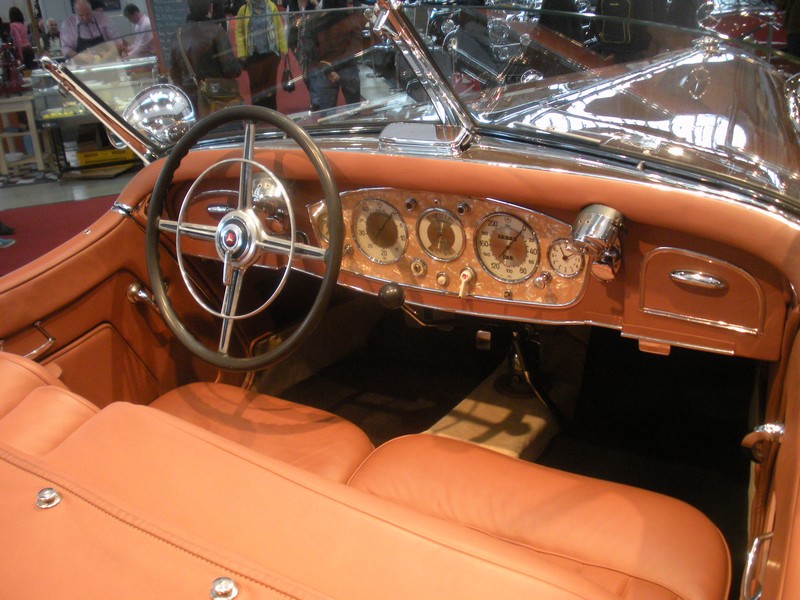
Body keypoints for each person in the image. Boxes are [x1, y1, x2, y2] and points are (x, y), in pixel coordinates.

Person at [171, 0, 242, 115]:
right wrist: (241, 64)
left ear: (188, 9)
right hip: (217, 98)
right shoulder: (217, 31)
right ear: (210, 8)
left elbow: (175, 73)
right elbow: (231, 69)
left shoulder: (177, 35)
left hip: (190, 101)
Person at [300, 0, 365, 111]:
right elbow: (356, 47)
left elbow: (310, 50)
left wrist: (328, 68)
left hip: (327, 69)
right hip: (345, 67)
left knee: (328, 114)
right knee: (353, 112)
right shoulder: (350, 20)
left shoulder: (314, 21)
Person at [235, 0, 287, 110]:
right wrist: (242, 53)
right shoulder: (243, 10)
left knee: (271, 88)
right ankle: (258, 114)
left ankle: (271, 114)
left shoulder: (272, 7)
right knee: (256, 90)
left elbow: (279, 28)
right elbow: (239, 32)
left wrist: (283, 48)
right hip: (253, 55)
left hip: (271, 54)